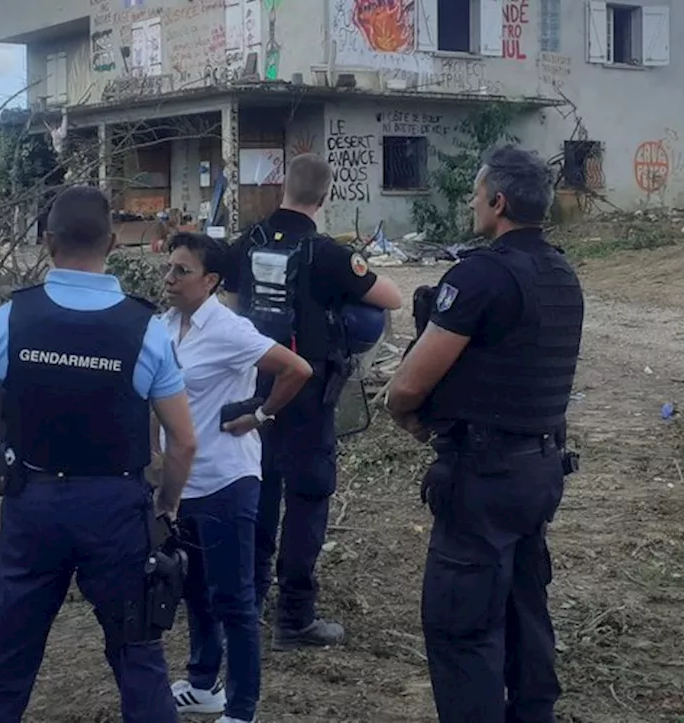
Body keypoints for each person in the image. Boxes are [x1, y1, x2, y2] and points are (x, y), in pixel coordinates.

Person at [0, 185, 197, 723]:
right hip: (116, 509)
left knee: (4, 656)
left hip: (32, 506)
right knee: (137, 653)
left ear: (47, 242)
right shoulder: (146, 328)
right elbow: (184, 440)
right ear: (113, 242)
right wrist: (166, 504)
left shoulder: (10, 318)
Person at [384, 144, 584, 723]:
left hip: (484, 479)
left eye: (476, 195)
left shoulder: (483, 276)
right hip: (540, 470)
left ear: (497, 202)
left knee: (462, 629)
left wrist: (407, 418)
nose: (473, 204)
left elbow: (407, 386)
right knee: (525, 614)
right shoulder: (561, 272)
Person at [223, 152, 403, 649]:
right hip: (306, 393)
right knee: (307, 500)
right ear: (324, 198)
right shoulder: (327, 253)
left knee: (258, 491)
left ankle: (249, 600)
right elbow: (390, 298)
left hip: (255, 389)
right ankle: (295, 617)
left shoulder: (250, 241)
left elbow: (232, 305)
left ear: (283, 188)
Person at [156, 232, 313, 723]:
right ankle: (204, 684)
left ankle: (242, 709)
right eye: (170, 267)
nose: (170, 278)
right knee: (194, 591)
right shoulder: (161, 327)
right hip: (182, 484)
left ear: (211, 281)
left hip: (227, 479)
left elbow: (296, 369)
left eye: (182, 271)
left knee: (235, 600)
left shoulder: (228, 330)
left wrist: (261, 414)